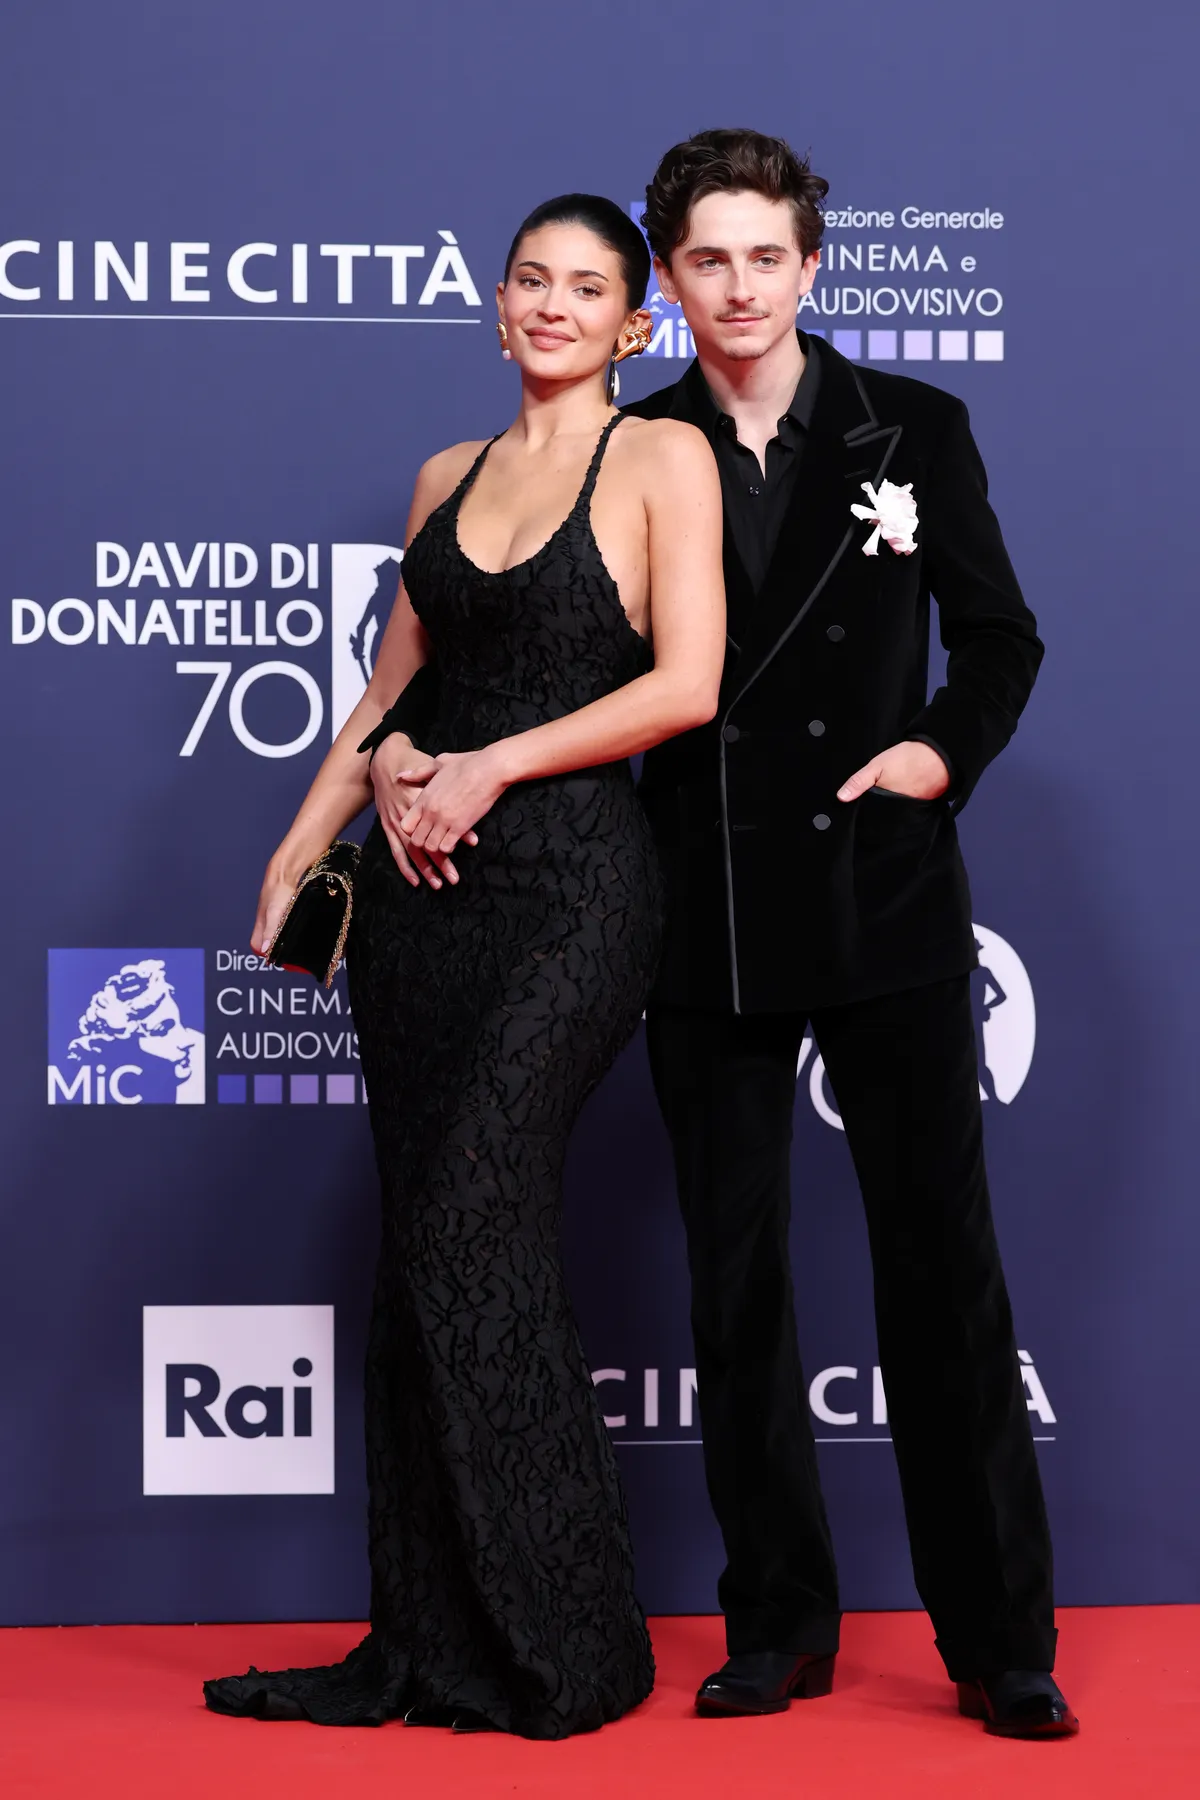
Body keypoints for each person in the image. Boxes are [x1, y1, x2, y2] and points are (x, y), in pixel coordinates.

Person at [202, 192, 725, 1740]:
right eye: (530, 281)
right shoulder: (448, 474)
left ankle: (571, 1649)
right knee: (418, 1253)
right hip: (422, 907)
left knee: (466, 1226)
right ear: (496, 306)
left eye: (587, 288)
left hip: (574, 891)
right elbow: (386, 698)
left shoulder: (662, 459)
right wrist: (305, 839)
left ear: (635, 324)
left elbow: (685, 684)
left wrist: (490, 767)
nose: (553, 307)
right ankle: (423, 1645)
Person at [614, 128, 1076, 1740]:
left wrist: (941, 752)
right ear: (665, 279)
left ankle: (1002, 1640)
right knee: (736, 1286)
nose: (737, 289)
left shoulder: (914, 426)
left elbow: (1003, 640)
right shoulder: (632, 446)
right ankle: (778, 1624)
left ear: (813, 266)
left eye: (766, 256)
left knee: (943, 1278)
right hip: (706, 906)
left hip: (879, 891)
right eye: (705, 260)